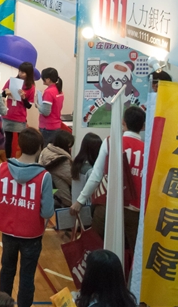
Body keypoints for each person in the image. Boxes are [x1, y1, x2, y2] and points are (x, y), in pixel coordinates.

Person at [70, 106, 145, 252]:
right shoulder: (146, 150)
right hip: (134, 210)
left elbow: (96, 175)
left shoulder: (110, 142)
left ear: (123, 122)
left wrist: (80, 201)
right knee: (131, 253)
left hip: (107, 206)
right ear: (143, 126)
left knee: (97, 250)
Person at [0, 129, 54, 307]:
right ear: (40, 149)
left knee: (6, 271)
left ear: (19, 145)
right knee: (27, 277)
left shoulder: (3, 168)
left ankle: (2, 304)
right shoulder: (44, 176)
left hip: (8, 231)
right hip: (32, 235)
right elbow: (47, 212)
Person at [2, 62, 36, 158]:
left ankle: (22, 160)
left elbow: (29, 106)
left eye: (23, 72)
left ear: (28, 74)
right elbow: (2, 95)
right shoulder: (11, 81)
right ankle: (8, 160)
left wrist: (24, 97)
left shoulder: (31, 87)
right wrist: (6, 92)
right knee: (8, 140)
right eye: (20, 71)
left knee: (22, 141)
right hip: (8, 115)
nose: (20, 73)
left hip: (20, 117)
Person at [38, 131, 75, 207]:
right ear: (63, 145)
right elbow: (72, 180)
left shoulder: (46, 150)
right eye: (69, 146)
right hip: (62, 198)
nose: (70, 149)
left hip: (47, 193)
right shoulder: (61, 160)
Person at [36, 67, 64, 145]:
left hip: (47, 127)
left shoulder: (48, 92)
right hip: (56, 125)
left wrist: (37, 104)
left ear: (48, 79)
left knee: (45, 149)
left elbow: (46, 112)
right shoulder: (59, 90)